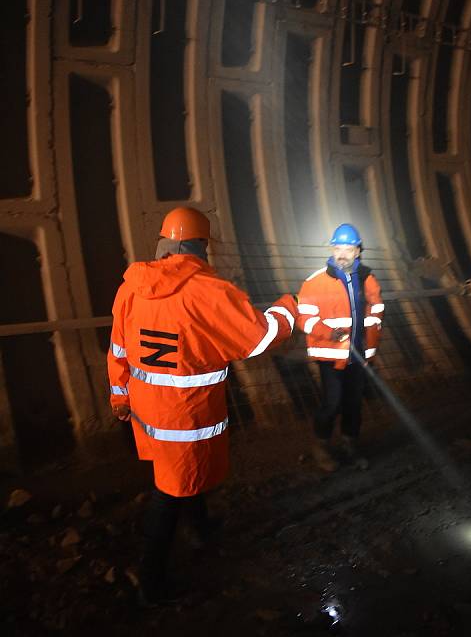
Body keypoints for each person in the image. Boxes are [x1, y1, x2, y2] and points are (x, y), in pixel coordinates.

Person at [107, 206, 298, 605]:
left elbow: (119, 349)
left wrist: (119, 396)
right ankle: (151, 581)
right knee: (170, 491)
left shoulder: (131, 286)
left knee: (178, 475)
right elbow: (261, 337)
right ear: (201, 247)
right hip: (185, 415)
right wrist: (288, 307)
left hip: (146, 413)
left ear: (163, 243)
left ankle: (202, 527)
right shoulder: (209, 291)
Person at [296, 223, 384, 472]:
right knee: (332, 403)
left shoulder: (367, 279)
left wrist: (371, 351)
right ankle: (321, 446)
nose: (342, 253)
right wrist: (329, 333)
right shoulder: (315, 282)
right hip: (331, 355)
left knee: (354, 404)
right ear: (332, 250)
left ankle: (349, 445)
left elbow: (376, 314)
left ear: (358, 251)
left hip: (358, 356)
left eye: (348, 248)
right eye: (338, 247)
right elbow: (304, 317)